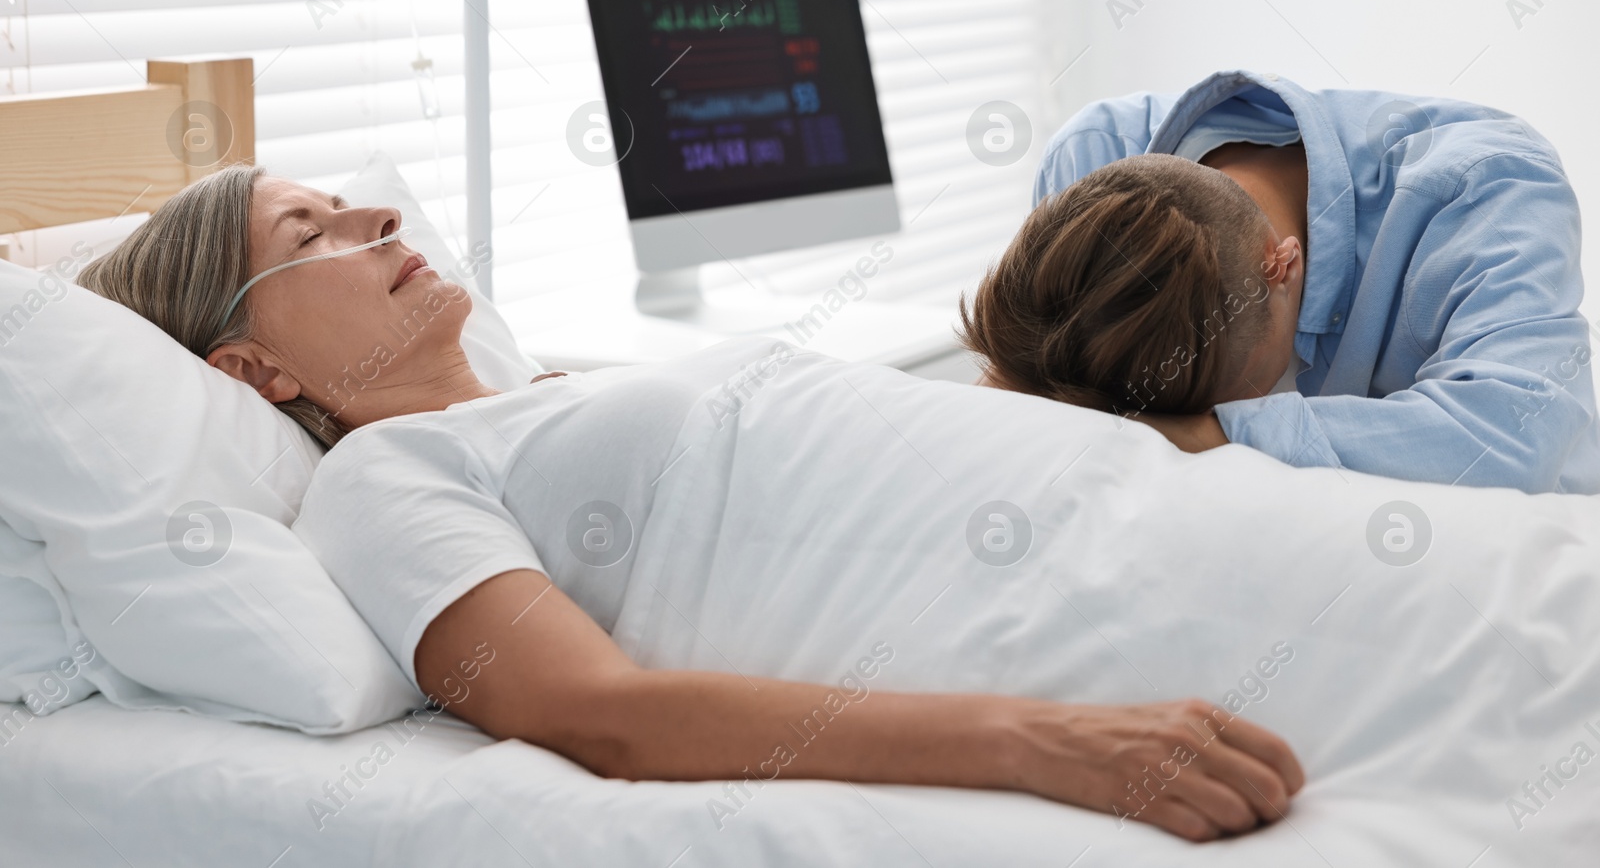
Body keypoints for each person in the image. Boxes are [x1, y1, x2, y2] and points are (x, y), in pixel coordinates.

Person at [77, 165, 1304, 843]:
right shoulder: (384, 480)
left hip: (1148, 509)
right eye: (312, 228)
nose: (377, 216)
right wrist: (1038, 741)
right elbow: (599, 714)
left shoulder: (541, 398)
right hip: (1099, 600)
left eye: (351, 199)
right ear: (253, 369)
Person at [962, 70, 1599, 495]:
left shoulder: (1489, 187)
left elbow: (1516, 434)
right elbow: (1027, 383)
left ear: (1281, 266)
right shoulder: (1092, 155)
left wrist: (1205, 432)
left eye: (1221, 399)